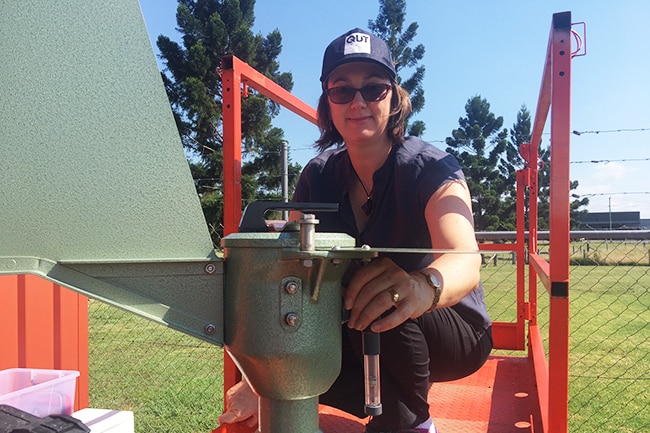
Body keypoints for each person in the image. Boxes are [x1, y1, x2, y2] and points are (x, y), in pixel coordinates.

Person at [218, 28, 492, 433]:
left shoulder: (432, 168)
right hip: (359, 333)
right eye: (341, 90)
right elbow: (292, 274)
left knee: (382, 288)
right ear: (327, 102)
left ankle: (411, 425)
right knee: (339, 299)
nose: (357, 101)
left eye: (374, 89)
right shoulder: (318, 174)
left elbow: (465, 259)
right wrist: (261, 380)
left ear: (394, 98)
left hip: (449, 329)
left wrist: (421, 286)